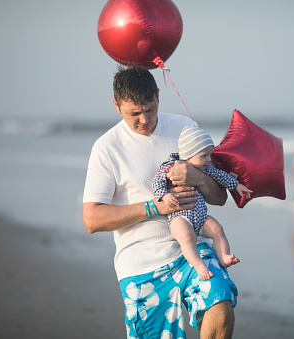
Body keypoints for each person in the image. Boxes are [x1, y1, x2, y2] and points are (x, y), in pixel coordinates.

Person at [82, 65, 238, 339]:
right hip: (141, 264)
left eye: (150, 109)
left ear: (157, 95)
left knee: (220, 304)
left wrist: (198, 178)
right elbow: (92, 219)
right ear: (116, 106)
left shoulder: (185, 129)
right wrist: (156, 206)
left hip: (193, 252)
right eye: (134, 113)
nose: (144, 119)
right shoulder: (106, 148)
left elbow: (220, 198)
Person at [152, 126, 252, 280]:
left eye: (209, 155)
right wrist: (164, 196)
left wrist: (236, 185)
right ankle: (198, 265)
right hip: (180, 218)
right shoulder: (170, 166)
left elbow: (221, 176)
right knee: (186, 236)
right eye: (204, 155)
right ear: (188, 155)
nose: (209, 159)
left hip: (200, 218)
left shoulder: (204, 169)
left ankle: (224, 257)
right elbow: (157, 181)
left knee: (218, 229)